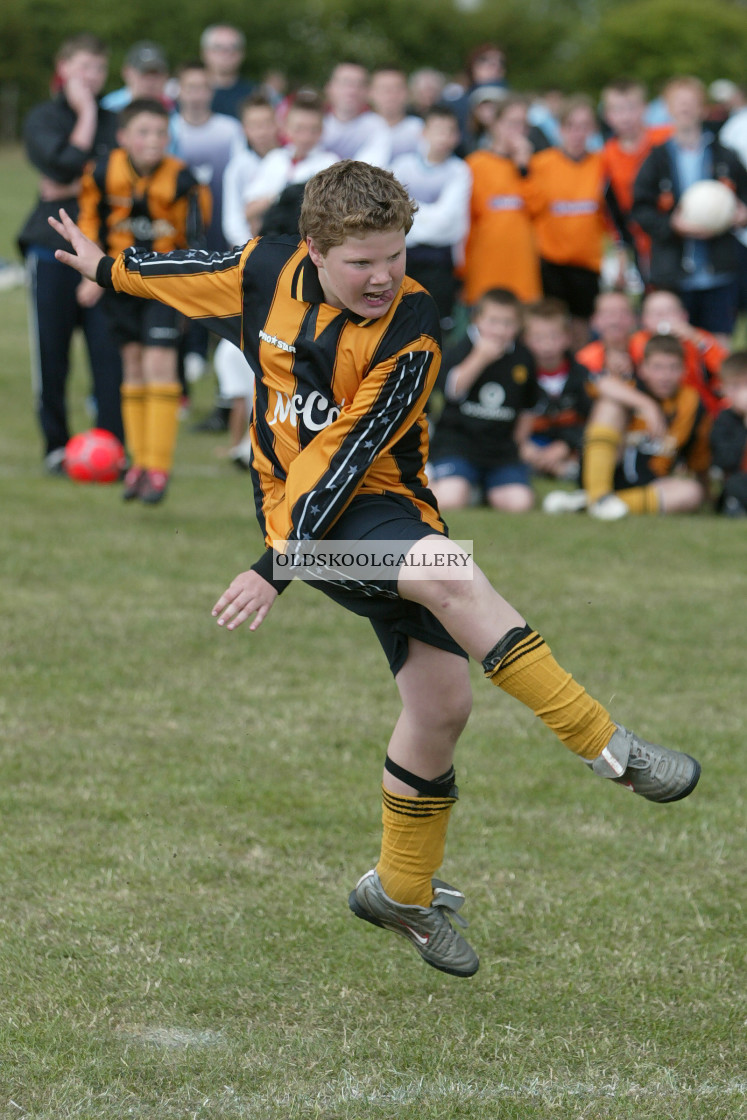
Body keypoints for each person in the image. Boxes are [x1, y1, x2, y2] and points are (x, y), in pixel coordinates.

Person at [50, 161, 701, 979]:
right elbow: (183, 274)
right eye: (362, 261)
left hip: (377, 504)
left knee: (440, 705)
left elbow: (351, 451)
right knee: (451, 575)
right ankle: (604, 745)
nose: (383, 276)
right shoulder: (264, 271)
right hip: (305, 522)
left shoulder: (413, 325)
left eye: (394, 255)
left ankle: (397, 889)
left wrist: (274, 566)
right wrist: (106, 266)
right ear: (315, 250)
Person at [77, 98, 211, 503]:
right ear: (123, 137)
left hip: (163, 285)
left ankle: (158, 468)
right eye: (143, 132)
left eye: (160, 133)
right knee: (132, 366)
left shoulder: (185, 181)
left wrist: (191, 289)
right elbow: (89, 221)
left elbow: (196, 241)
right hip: (118, 283)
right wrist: (93, 272)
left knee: (159, 362)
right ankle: (136, 465)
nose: (153, 140)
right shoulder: (100, 172)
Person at [18, 32, 123, 474]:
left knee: (108, 356)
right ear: (64, 69)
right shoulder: (43, 117)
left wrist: (78, 178)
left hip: (104, 257)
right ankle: (57, 446)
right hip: (50, 254)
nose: (91, 77)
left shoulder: (117, 121)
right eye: (82, 67)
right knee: (52, 356)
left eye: (98, 69)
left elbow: (123, 182)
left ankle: (112, 448)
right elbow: (60, 165)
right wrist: (82, 115)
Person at [632, 76, 747, 345]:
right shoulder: (656, 158)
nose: (685, 109)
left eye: (691, 103)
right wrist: (672, 226)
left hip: (719, 271)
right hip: (673, 274)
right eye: (678, 104)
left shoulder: (724, 155)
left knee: (717, 346)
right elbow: (641, 210)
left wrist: (742, 214)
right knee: (677, 348)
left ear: (702, 108)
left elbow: (744, 194)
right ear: (669, 109)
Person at [545, 334, 711, 519]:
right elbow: (599, 382)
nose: (665, 376)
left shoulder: (692, 402)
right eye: (657, 367)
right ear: (642, 369)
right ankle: (599, 495)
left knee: (692, 493)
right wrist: (647, 405)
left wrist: (707, 495)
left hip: (651, 483)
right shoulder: (630, 386)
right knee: (609, 406)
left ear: (683, 370)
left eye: (673, 368)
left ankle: (590, 503)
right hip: (609, 473)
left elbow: (699, 457)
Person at [428, 288, 538, 513]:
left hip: (500, 451)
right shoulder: (462, 348)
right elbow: (451, 391)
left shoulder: (524, 357)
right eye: (493, 321)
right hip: (457, 444)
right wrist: (481, 357)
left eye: (508, 323)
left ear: (518, 326)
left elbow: (529, 406)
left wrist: (519, 444)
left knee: (520, 504)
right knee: (450, 499)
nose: (500, 330)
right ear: (477, 319)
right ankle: (445, 479)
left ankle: (482, 489)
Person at [528, 95, 608, 350]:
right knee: (551, 325)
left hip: (587, 261)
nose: (577, 133)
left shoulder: (601, 165)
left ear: (592, 129)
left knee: (581, 327)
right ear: (561, 128)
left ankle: (579, 376)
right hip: (551, 260)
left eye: (584, 126)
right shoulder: (541, 164)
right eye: (571, 126)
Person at [390, 104, 471, 331]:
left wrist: (412, 219)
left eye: (450, 131)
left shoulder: (460, 170)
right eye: (438, 130)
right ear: (424, 133)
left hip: (441, 265)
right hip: (403, 260)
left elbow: (449, 223)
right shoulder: (402, 167)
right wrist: (431, 218)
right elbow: (392, 215)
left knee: (434, 329)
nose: (444, 137)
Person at [461, 95, 541, 307]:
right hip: (485, 267)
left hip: (523, 269)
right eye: (512, 123)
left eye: (524, 125)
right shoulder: (475, 165)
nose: (519, 131)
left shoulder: (536, 166)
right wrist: (462, 271)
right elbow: (465, 223)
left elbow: (537, 210)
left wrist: (524, 169)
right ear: (495, 125)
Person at [600, 79, 673, 284]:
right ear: (607, 115)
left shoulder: (666, 138)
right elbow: (611, 208)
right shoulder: (607, 156)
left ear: (644, 109)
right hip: (642, 238)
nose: (625, 117)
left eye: (631, 108)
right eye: (617, 110)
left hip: (676, 228)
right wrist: (621, 248)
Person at [243, 92, 337, 238]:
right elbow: (249, 212)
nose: (305, 137)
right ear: (286, 128)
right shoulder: (274, 159)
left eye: (313, 129)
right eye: (299, 128)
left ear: (322, 131)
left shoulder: (330, 164)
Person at [520, 298, 592, 480]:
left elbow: (590, 419)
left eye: (554, 336)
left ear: (568, 338)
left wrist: (565, 446)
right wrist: (524, 446)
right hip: (528, 447)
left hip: (568, 447)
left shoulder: (582, 375)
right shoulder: (517, 375)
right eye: (538, 338)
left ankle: (557, 469)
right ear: (524, 340)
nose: (547, 345)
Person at [630, 288, 726, 415]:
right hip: (653, 407)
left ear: (684, 316)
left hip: (700, 408)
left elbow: (726, 369)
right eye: (655, 313)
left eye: (670, 311)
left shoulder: (697, 337)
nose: (663, 317)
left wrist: (697, 340)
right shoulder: (637, 341)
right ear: (644, 320)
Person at [222, 94, 281, 250]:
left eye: (266, 124)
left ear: (277, 124)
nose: (261, 132)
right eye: (254, 125)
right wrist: (248, 248)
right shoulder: (237, 167)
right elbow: (232, 217)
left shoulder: (289, 160)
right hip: (247, 249)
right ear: (244, 129)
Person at [322, 62, 391, 167]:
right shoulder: (317, 123)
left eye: (358, 85)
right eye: (345, 83)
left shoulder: (377, 126)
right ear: (329, 88)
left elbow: (371, 169)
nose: (352, 91)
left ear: (367, 91)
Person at [710, 350, 747, 515]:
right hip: (739, 483)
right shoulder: (724, 421)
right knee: (735, 483)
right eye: (736, 386)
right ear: (724, 389)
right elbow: (725, 461)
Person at [575, 290, 638, 386]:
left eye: (623, 313)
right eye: (608, 314)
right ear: (594, 320)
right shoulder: (583, 359)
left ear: (633, 319)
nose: (615, 320)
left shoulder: (646, 351)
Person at [200, 24, 255, 119]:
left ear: (242, 54)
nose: (226, 53)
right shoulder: (187, 94)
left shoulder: (254, 95)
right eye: (218, 47)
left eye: (233, 47)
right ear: (205, 53)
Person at [368, 67, 423, 160]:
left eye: (397, 89)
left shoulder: (420, 129)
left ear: (408, 92)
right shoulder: (358, 127)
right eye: (384, 89)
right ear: (370, 93)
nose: (391, 95)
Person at [101, 41, 171, 114]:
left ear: (166, 76)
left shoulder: (174, 109)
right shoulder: (109, 108)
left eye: (156, 74)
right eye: (143, 73)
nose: (150, 81)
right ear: (127, 73)